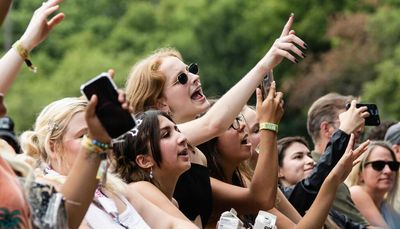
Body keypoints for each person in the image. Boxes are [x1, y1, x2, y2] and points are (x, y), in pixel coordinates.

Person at [124, 14, 306, 227]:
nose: (194, 77)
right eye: (181, 79)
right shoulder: (165, 142)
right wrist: (265, 64)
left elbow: (262, 198)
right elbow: (213, 124)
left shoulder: (196, 154)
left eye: (190, 69)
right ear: (160, 104)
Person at [198, 88, 369, 228]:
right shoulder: (207, 184)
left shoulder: (243, 179)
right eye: (231, 123)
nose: (241, 126)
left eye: (238, 119)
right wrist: (332, 178)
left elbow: (299, 225)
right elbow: (271, 196)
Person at [306, 92, 371, 226]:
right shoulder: (324, 174)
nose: (359, 126)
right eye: (349, 120)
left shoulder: (332, 170)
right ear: (326, 129)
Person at [348, 141, 400, 229]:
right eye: (378, 165)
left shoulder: (386, 207)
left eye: (393, 165)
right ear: (360, 173)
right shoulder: (355, 192)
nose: (388, 171)